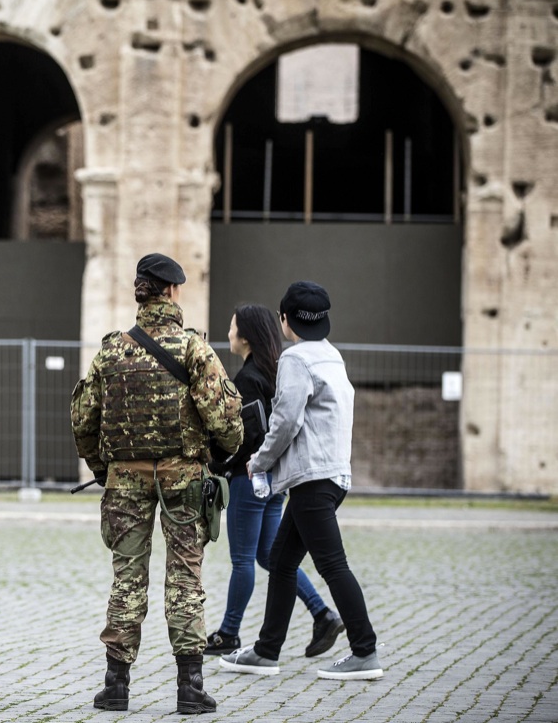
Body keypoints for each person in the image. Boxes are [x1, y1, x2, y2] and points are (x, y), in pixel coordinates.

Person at [71, 253, 244, 715]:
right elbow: (226, 420)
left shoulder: (111, 351)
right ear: (172, 291)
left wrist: (102, 468)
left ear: (140, 292)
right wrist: (221, 452)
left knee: (127, 578)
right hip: (184, 480)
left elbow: (83, 419)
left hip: (124, 482)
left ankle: (115, 685)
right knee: (185, 577)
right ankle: (190, 686)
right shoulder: (194, 350)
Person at [220, 281, 383, 681]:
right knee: (281, 561)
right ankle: (266, 651)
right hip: (332, 474)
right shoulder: (331, 356)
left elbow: (286, 420)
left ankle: (365, 651)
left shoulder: (295, 359)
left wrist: (259, 461)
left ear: (285, 319)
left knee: (332, 565)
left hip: (312, 479)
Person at [204, 304, 344, 658]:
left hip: (250, 478)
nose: (229, 333)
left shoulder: (247, 379)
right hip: (275, 481)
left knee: (242, 559)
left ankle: (228, 633)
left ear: (246, 336)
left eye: (232, 327)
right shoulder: (276, 372)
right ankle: (322, 614)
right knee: (270, 555)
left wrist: (216, 460)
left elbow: (244, 437)